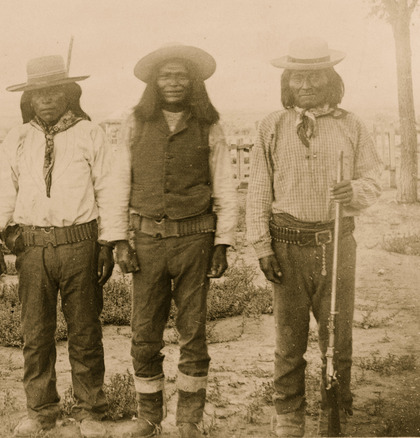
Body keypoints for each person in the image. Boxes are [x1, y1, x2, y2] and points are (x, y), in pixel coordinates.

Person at [0, 54, 131, 438]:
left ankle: (90, 410)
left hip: (80, 245)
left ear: (68, 94)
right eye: (38, 94)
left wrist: (107, 244)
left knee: (85, 331)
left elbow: (109, 191)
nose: (46, 100)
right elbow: (2, 188)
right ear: (29, 99)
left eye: (54, 92)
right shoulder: (18, 138)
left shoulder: (90, 133)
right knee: (35, 333)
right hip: (32, 249)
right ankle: (41, 410)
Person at [246, 37, 382, 437]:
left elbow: (373, 179)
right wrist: (261, 245)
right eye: (297, 77)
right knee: (288, 340)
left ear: (330, 79)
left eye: (315, 77)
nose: (305, 85)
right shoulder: (271, 125)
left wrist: (353, 191)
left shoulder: (351, 124)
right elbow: (258, 189)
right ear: (287, 81)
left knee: (336, 335)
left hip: (336, 243)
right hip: (286, 246)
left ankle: (333, 410)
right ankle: (288, 416)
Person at [114, 43, 237, 438]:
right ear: (155, 82)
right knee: (144, 332)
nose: (173, 83)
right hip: (147, 241)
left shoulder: (210, 125)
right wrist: (119, 240)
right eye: (166, 76)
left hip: (196, 241)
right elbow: (118, 183)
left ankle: (188, 421)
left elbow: (225, 188)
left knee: (193, 332)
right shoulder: (133, 122)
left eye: (181, 76)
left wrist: (222, 243)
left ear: (193, 82)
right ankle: (149, 417)